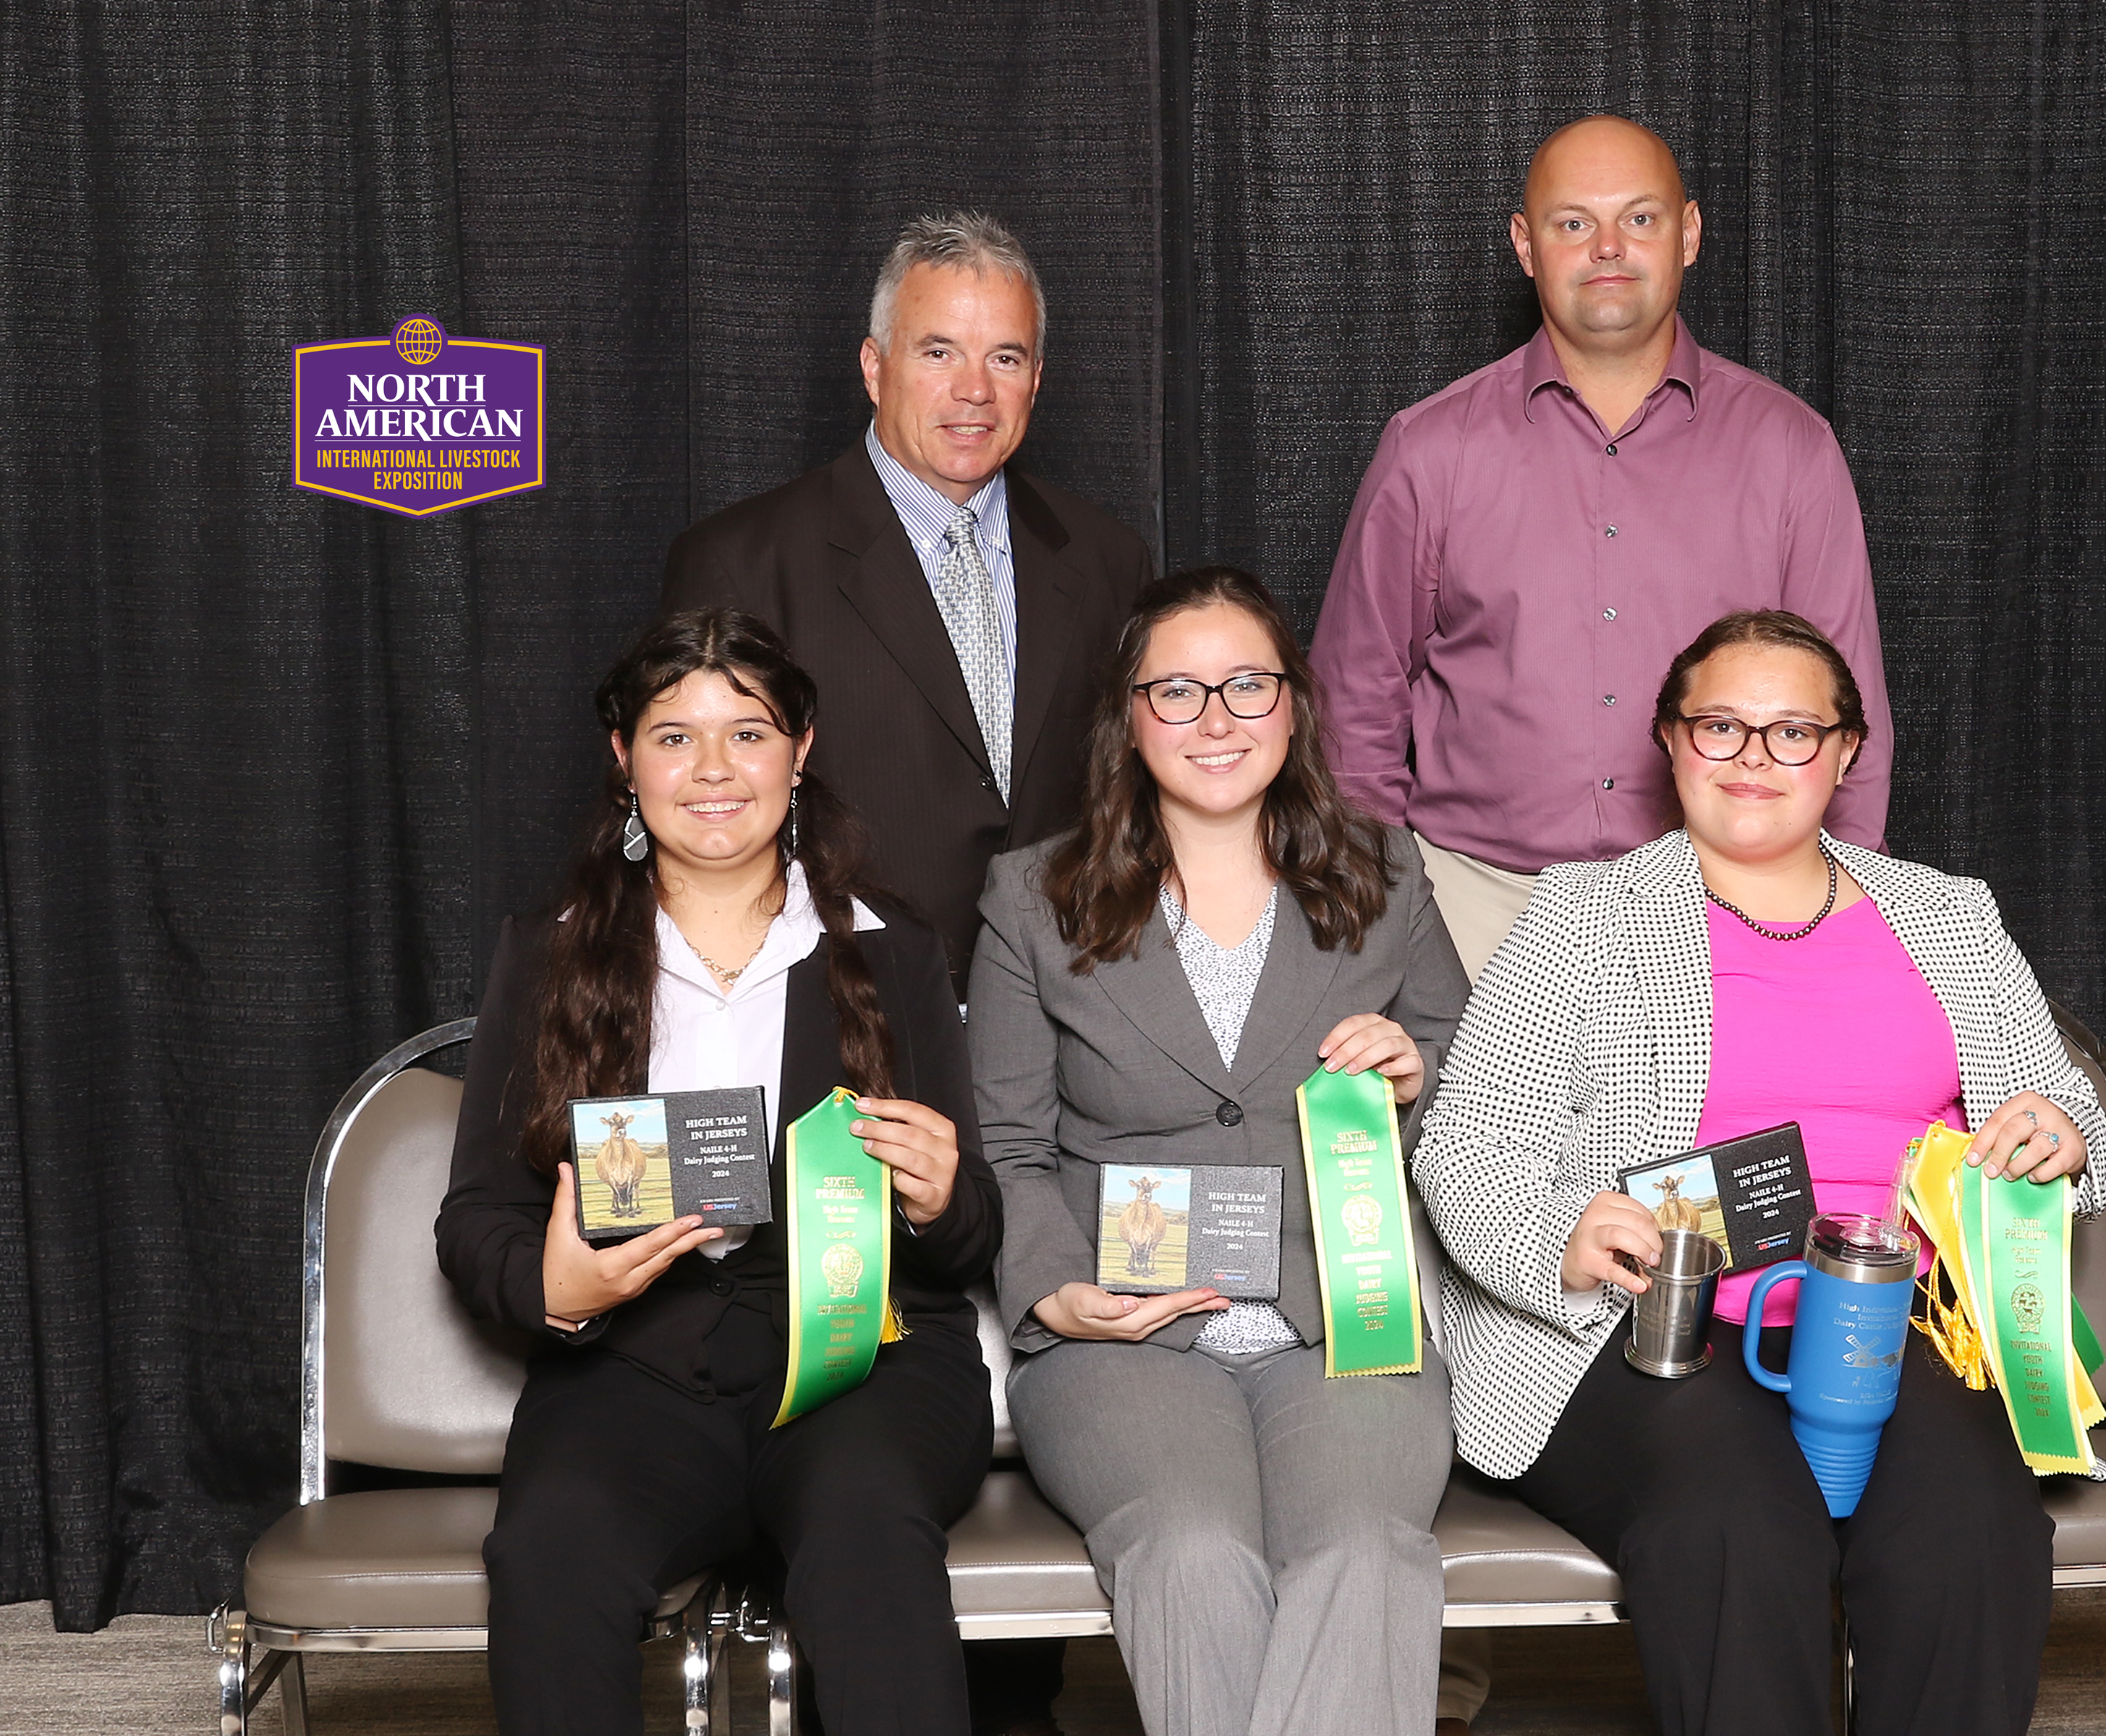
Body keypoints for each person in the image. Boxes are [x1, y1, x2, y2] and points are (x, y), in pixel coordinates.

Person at [1411, 610, 2106, 1736]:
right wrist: (1562, 1237)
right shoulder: (1582, 918)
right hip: (1647, 1325)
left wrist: (2065, 1136)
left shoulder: (1951, 916)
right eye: (1721, 727)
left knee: (1970, 1530)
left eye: (1794, 733)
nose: (1754, 759)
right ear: (1670, 743)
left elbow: (2069, 1114)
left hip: (1889, 1322)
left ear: (1846, 753)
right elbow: (1468, 1144)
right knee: (1740, 1525)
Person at [436, 608, 1001, 1736]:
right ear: (623, 760)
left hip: (864, 1362)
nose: (712, 771)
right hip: (632, 1365)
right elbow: (478, 1219)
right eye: (672, 737)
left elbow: (972, 1232)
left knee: (864, 1531)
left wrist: (944, 1196)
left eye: (746, 733)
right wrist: (557, 1291)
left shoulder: (895, 949)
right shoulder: (545, 954)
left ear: (801, 749)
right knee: (549, 1551)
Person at [969, 567, 1470, 1736]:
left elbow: (1461, 1072)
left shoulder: (1387, 878)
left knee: (1364, 1552)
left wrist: (1418, 1069)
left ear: (1293, 707)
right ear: (1129, 720)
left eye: (1247, 686)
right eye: (1178, 691)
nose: (1215, 720)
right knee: (1193, 1552)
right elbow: (1007, 1146)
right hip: (1125, 1334)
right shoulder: (1032, 901)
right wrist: (1058, 1294)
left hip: (1344, 1320)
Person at [1314, 114, 1895, 987]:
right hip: (1473, 907)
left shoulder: (1791, 450)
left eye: (1641, 218)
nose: (1608, 248)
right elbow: (1353, 704)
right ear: (1526, 245)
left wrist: (1835, 928)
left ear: (1689, 233)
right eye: (1574, 223)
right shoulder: (1431, 449)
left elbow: (1849, 715)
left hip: (1726, 909)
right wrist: (1383, 910)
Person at [663, 210, 1152, 995]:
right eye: (938, 352)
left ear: (1037, 377)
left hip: (1072, 1012)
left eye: (1005, 356)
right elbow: (691, 818)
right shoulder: (741, 563)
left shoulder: (1107, 560)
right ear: (874, 365)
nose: (974, 390)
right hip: (844, 1012)